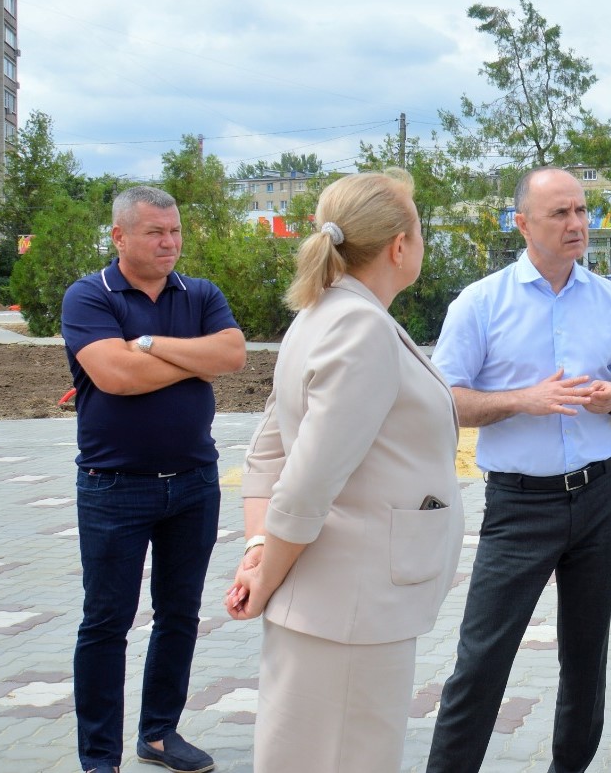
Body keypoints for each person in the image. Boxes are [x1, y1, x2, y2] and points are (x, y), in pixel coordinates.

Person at [224, 169, 462, 772]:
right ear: (398, 246)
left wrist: (258, 551)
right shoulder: (360, 327)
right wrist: (267, 572)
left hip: (334, 598)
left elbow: (268, 454)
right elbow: (305, 479)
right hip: (351, 604)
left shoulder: (320, 314)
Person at [425, 166, 611, 773]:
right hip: (519, 504)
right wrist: (519, 401)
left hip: (600, 496)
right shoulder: (480, 304)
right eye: (561, 213)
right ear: (522, 223)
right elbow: (445, 399)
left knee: (586, 656)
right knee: (482, 657)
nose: (578, 224)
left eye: (582, 211)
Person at [62, 186, 247, 773]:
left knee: (179, 614)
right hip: (115, 486)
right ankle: (99, 759)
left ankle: (160, 734)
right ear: (119, 236)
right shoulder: (89, 295)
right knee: (107, 621)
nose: (169, 243)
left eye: (174, 231)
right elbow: (114, 375)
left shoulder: (201, 292)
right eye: (154, 233)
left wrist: (146, 345)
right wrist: (191, 357)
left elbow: (234, 355)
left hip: (194, 481)